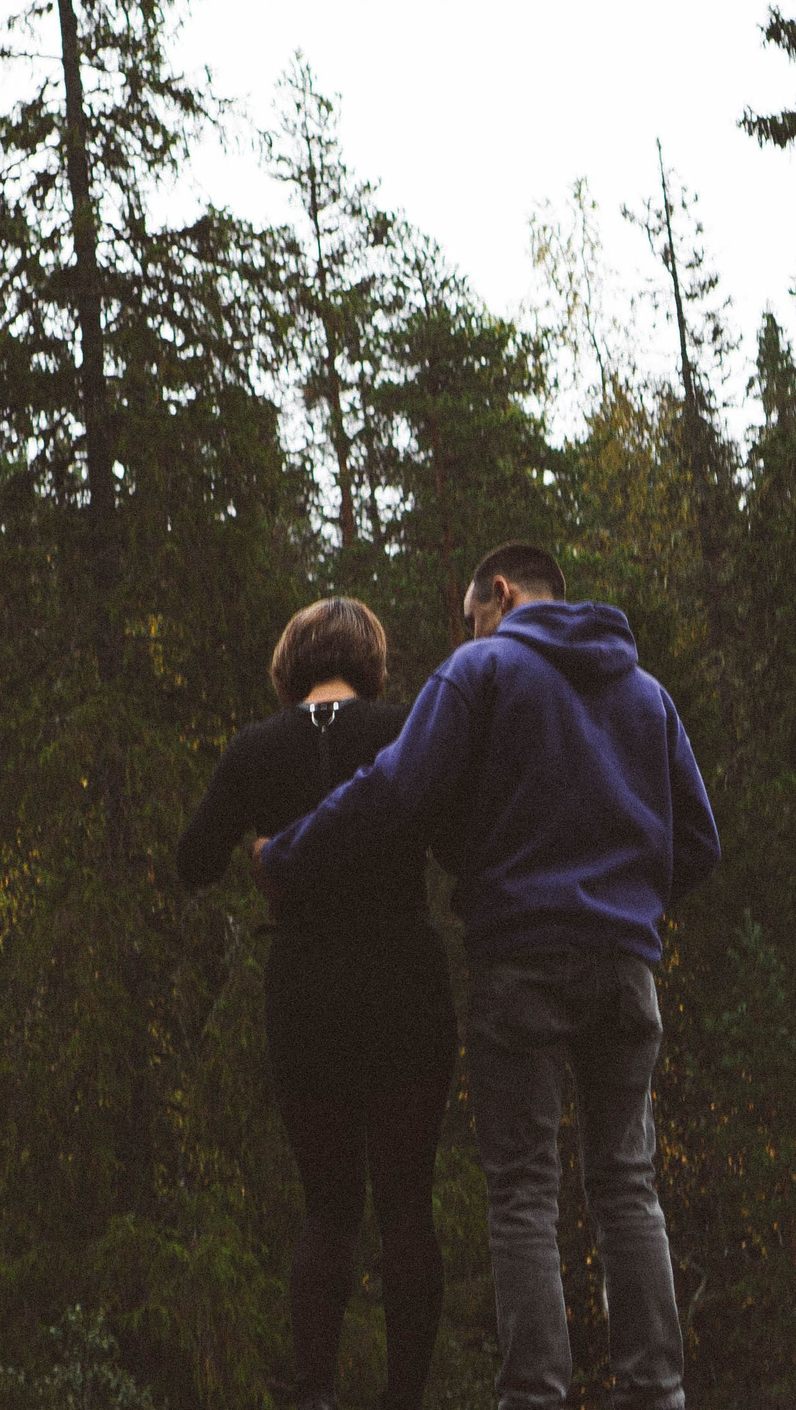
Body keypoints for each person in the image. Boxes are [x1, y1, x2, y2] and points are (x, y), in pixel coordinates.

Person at [256, 544, 719, 1410]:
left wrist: (288, 850)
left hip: (522, 962)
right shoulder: (645, 693)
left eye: (472, 615)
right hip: (625, 967)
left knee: (523, 1188)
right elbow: (699, 841)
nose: (469, 630)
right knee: (626, 1179)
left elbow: (395, 790)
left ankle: (534, 1395)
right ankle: (656, 1391)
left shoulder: (486, 668)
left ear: (499, 595)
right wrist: (626, 902)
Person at [177, 597, 457, 1410]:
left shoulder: (254, 750)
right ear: (368, 660)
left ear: (290, 662)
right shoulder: (406, 730)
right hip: (406, 984)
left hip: (306, 995)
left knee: (328, 1211)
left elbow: (194, 860)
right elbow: (457, 843)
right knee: (408, 1205)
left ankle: (315, 1396)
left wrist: (262, 844)